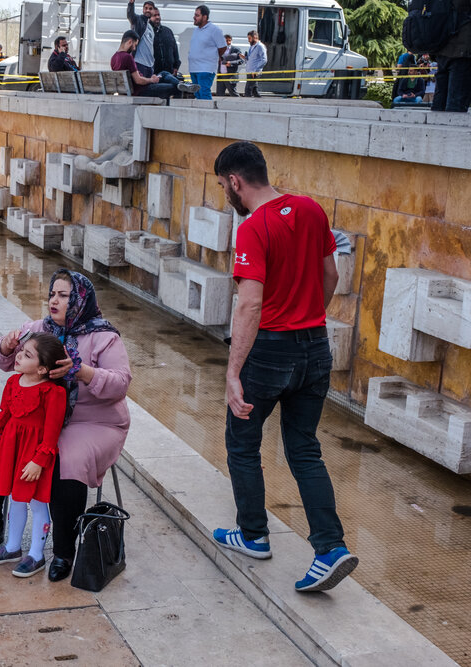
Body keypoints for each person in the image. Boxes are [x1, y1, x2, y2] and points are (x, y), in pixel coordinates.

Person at [211, 140, 358, 592]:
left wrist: (234, 371)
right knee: (304, 448)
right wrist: (308, 317)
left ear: (235, 181)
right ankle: (330, 547)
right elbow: (330, 276)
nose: (226, 195)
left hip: (269, 352)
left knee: (241, 440)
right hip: (315, 347)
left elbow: (249, 304)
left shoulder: (253, 228)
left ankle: (253, 534)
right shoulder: (312, 210)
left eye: (223, 187)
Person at [0, 270, 132, 584]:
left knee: (66, 459)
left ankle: (64, 551)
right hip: (37, 416)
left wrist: (83, 372)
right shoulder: (41, 328)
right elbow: (2, 360)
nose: (54, 301)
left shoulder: (104, 337)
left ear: (80, 300)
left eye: (64, 295)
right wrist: (6, 346)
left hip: (94, 421)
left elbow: (121, 385)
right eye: (52, 293)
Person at [0, 333, 69, 577]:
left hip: (32, 456)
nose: (18, 356)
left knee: (38, 502)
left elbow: (51, 436)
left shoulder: (54, 394)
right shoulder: (13, 383)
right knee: (17, 499)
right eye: (21, 351)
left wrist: (38, 462)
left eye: (27, 355)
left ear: (43, 369)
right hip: (13, 449)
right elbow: (4, 416)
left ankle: (36, 554)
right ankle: (12, 547)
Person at [111, 31, 198, 99]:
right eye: (135, 45)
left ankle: (181, 84)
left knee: (163, 73)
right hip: (142, 90)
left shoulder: (114, 58)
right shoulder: (127, 57)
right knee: (175, 88)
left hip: (134, 89)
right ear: (130, 42)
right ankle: (181, 86)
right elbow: (138, 81)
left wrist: (152, 78)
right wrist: (151, 80)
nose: (134, 48)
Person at [430, 0, 470, 114]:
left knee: (439, 101)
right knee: (456, 104)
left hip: (442, 48)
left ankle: (434, 130)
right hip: (461, 49)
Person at [188, 5, 227, 100]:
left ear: (204, 17)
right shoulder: (196, 30)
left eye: (197, 15)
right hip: (194, 68)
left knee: (204, 92)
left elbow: (223, 47)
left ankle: (210, 114)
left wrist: (215, 57)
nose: (194, 17)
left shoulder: (214, 30)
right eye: (194, 15)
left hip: (206, 68)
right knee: (197, 94)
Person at [149, 8, 181, 76]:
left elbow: (175, 50)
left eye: (158, 15)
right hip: (154, 74)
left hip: (169, 72)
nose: (157, 17)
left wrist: (176, 67)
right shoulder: (147, 33)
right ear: (149, 17)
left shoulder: (168, 31)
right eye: (154, 15)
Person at [241, 30, 267, 98]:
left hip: (254, 72)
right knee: (254, 90)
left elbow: (264, 59)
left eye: (249, 38)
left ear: (255, 37)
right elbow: (251, 59)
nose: (248, 40)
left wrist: (256, 70)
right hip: (249, 71)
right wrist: (245, 57)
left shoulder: (260, 46)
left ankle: (248, 104)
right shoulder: (251, 46)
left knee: (248, 90)